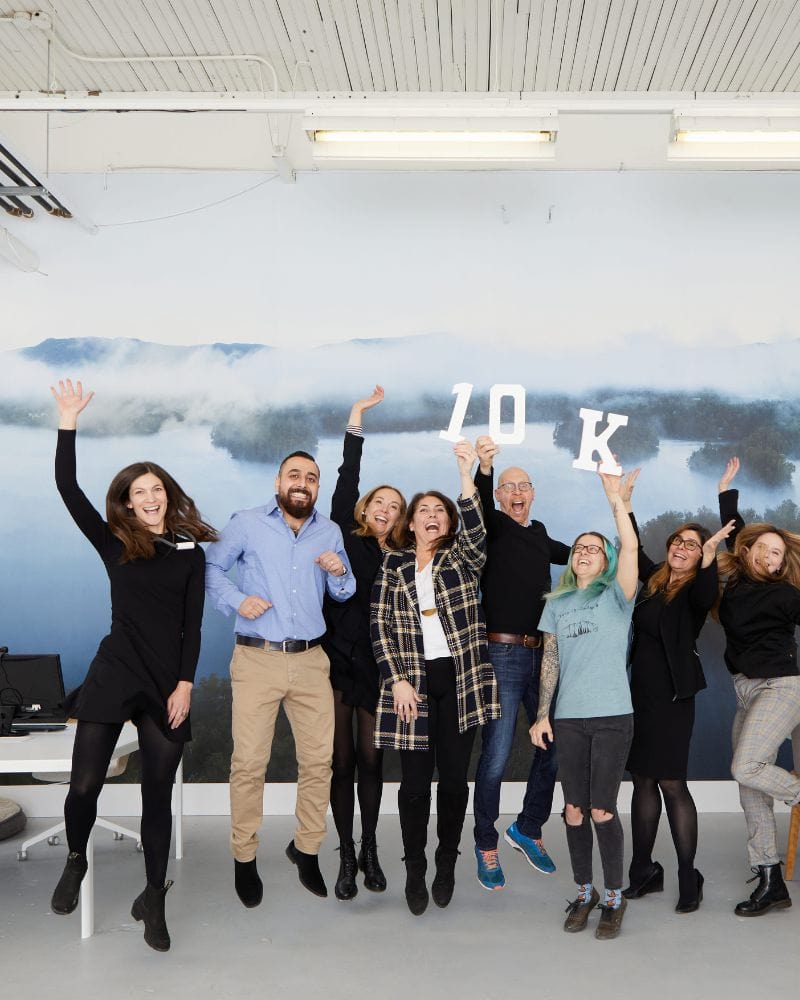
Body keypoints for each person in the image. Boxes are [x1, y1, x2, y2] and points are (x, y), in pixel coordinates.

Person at [49, 379, 216, 952]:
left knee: (157, 795)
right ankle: (76, 859)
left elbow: (194, 625)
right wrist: (68, 421)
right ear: (126, 501)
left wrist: (186, 684)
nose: (149, 497)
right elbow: (68, 487)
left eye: (156, 489)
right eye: (138, 491)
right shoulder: (113, 542)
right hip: (116, 670)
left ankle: (153, 901)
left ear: (168, 495)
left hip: (167, 681)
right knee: (85, 785)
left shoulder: (193, 552)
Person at [206, 448, 355, 906]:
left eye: (311, 477)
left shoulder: (328, 531)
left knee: (318, 764)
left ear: (316, 487)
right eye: (295, 475)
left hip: (312, 661)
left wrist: (339, 570)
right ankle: (244, 858)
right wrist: (237, 599)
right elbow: (211, 568)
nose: (303, 483)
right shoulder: (248, 523)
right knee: (249, 765)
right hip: (257, 660)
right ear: (278, 482)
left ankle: (306, 849)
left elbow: (344, 591)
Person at [371, 441, 500, 916]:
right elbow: (378, 626)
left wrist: (466, 473)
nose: (432, 515)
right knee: (413, 786)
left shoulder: (463, 558)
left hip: (460, 679)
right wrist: (396, 680)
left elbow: (476, 527)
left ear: (448, 524)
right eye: (423, 509)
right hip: (412, 683)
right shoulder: (393, 564)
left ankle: (446, 863)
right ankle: (415, 868)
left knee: (452, 783)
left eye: (439, 511)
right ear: (410, 522)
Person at [531, 468, 638, 940]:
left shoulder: (618, 595)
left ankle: (615, 897)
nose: (584, 553)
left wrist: (614, 499)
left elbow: (632, 548)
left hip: (613, 714)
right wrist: (541, 715)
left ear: (607, 560)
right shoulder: (556, 602)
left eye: (594, 548)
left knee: (601, 810)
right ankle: (585, 890)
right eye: (579, 548)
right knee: (573, 809)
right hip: (569, 718)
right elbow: (549, 660)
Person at [620, 471, 735, 912]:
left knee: (670, 782)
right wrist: (624, 502)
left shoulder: (695, 591)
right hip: (639, 697)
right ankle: (643, 870)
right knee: (641, 781)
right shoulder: (652, 580)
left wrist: (709, 555)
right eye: (679, 542)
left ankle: (690, 875)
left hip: (673, 700)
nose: (682, 548)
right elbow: (634, 545)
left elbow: (708, 591)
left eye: (692, 544)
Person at [471, 435, 570, 890]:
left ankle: (527, 829)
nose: (516, 492)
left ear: (532, 494)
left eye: (523, 486)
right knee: (495, 756)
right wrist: (486, 464)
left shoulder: (539, 534)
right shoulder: (493, 526)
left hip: (541, 654)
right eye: (508, 486)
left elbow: (577, 557)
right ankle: (486, 844)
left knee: (553, 745)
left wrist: (615, 550)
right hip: (502, 653)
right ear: (499, 497)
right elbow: (479, 503)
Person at [323, 385, 406, 901]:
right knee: (341, 764)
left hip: (378, 668)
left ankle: (372, 848)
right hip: (334, 663)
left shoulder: (401, 555)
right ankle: (346, 856)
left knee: (372, 764)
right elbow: (346, 476)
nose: (387, 509)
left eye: (395, 506)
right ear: (366, 507)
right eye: (380, 502)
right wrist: (355, 420)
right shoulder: (340, 534)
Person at [717, 456, 800, 916]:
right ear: (748, 551)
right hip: (745, 688)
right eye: (764, 550)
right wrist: (726, 490)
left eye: (778, 554)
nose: (771, 557)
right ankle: (770, 880)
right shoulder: (737, 584)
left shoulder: (787, 594)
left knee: (746, 766)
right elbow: (734, 527)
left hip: (782, 686)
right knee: (749, 787)